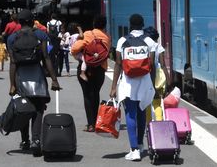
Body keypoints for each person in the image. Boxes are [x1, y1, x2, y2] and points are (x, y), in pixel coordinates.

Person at [7, 9, 61, 157]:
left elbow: (12, 63)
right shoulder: (40, 35)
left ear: (19, 22)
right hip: (37, 77)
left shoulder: (12, 39)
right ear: (32, 21)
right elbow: (46, 58)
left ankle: (25, 141)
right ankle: (36, 141)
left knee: (23, 109)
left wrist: (12, 84)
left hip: (20, 78)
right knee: (38, 109)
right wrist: (54, 80)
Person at [110, 14, 157, 161]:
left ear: (130, 25)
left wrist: (113, 87)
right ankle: (141, 144)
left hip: (128, 83)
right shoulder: (149, 41)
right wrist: (153, 85)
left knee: (131, 114)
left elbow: (118, 64)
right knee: (141, 112)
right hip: (145, 82)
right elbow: (152, 65)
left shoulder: (123, 41)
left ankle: (134, 150)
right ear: (142, 24)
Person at [71, 15, 111, 133]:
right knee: (96, 93)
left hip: (87, 68)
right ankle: (96, 122)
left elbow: (74, 49)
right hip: (100, 69)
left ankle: (91, 124)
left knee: (87, 96)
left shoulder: (88, 34)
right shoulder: (107, 37)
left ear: (94, 24)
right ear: (104, 25)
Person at [143, 26, 171, 122]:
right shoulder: (159, 47)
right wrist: (168, 80)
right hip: (157, 79)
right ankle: (159, 123)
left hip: (146, 77)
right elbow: (163, 65)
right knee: (157, 102)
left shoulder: (144, 46)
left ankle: (148, 125)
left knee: (146, 102)